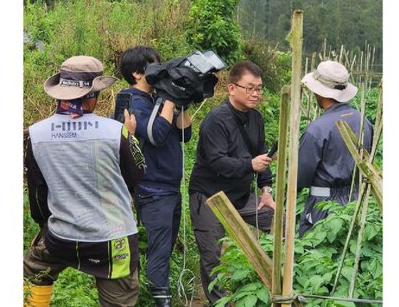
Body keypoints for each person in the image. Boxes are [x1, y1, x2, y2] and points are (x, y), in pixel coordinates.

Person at [23, 55, 146, 307]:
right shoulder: (115, 131)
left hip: (61, 236)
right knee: (119, 300)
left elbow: (37, 193)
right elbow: (137, 174)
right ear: (93, 95)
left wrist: (45, 225)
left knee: (33, 271)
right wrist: (130, 136)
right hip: (113, 241)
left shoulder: (35, 134)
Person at [188, 61, 276, 305]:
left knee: (281, 224)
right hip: (209, 196)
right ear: (231, 88)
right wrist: (249, 165)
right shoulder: (216, 120)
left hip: (240, 195)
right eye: (249, 88)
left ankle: (272, 283)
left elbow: (262, 156)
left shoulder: (256, 119)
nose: (255, 94)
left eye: (259, 88)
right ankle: (218, 302)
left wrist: (266, 190)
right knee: (211, 257)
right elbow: (217, 163)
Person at [117, 46, 193, 307]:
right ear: (138, 73)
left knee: (166, 246)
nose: (161, 71)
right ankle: (160, 299)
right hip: (151, 188)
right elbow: (157, 135)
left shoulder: (155, 98)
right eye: (154, 66)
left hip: (169, 186)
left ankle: (154, 290)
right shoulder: (131, 101)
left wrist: (180, 100)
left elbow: (185, 135)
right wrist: (170, 99)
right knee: (160, 248)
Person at [297, 60, 373, 238]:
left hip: (323, 205)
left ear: (318, 92)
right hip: (356, 201)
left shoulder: (316, 129)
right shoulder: (363, 121)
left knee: (315, 248)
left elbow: (301, 176)